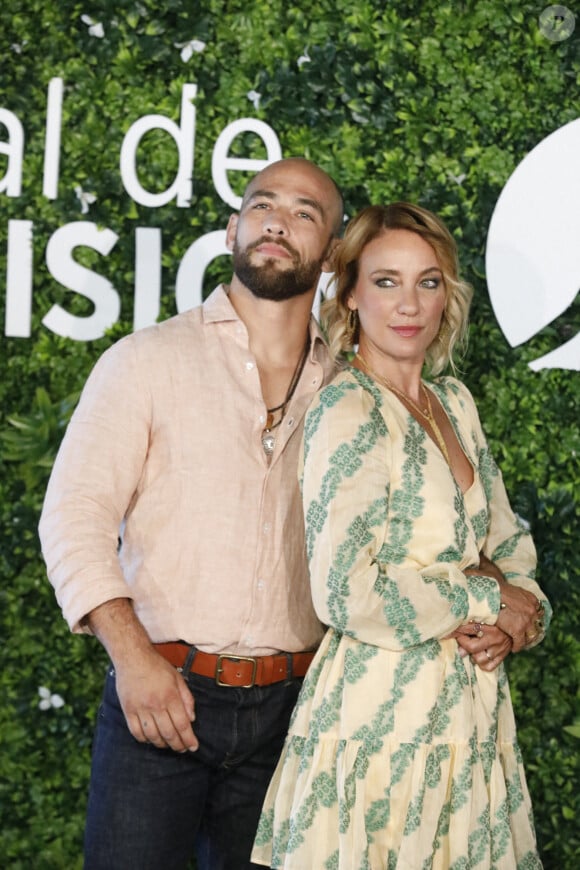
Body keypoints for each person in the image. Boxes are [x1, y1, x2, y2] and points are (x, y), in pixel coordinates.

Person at [38, 157, 344, 870]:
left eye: (304, 211)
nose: (276, 220)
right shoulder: (145, 361)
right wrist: (132, 659)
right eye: (262, 203)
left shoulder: (349, 389)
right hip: (160, 701)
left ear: (331, 254)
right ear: (234, 229)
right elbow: (74, 517)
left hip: (297, 717)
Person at [252, 203, 551, 869]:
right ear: (352, 294)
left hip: (469, 720)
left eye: (428, 281)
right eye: (385, 281)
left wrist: (518, 620)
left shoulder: (456, 401)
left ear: (449, 294)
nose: (409, 303)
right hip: (380, 731)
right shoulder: (347, 410)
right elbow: (343, 590)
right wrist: (483, 601)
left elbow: (508, 548)